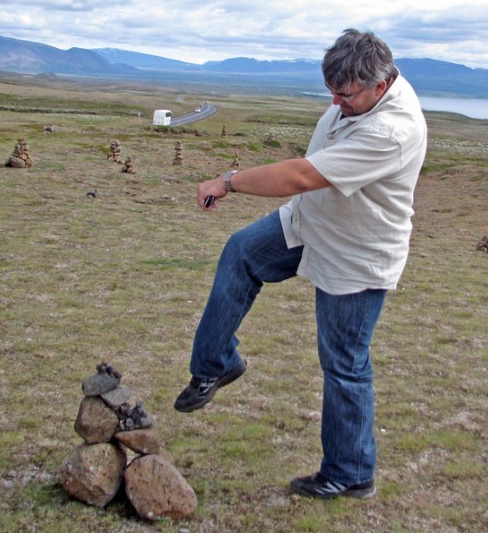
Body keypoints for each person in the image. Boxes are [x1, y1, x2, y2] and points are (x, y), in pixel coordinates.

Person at [173, 29, 428, 500]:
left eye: (345, 95)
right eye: (330, 92)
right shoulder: (362, 88)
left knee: (344, 364)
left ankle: (350, 473)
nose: (335, 102)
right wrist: (342, 98)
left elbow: (300, 175)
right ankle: (216, 363)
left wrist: (228, 181)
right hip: (310, 223)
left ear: (380, 85)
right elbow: (311, 175)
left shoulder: (392, 131)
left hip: (357, 253)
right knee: (241, 252)